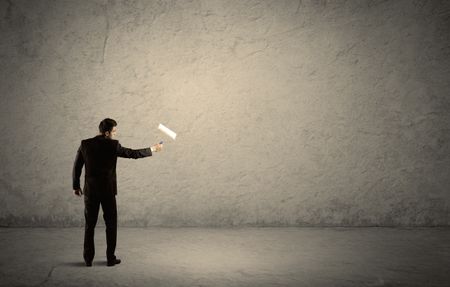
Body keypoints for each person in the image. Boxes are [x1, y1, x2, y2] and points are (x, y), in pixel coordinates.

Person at [72, 118, 163, 267]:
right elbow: (132, 154)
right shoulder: (113, 145)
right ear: (107, 133)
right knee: (111, 225)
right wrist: (152, 149)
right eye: (114, 131)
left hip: (90, 191)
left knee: (90, 225)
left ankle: (88, 259)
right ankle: (110, 258)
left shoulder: (85, 144)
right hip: (108, 191)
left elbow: (77, 166)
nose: (115, 134)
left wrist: (76, 186)